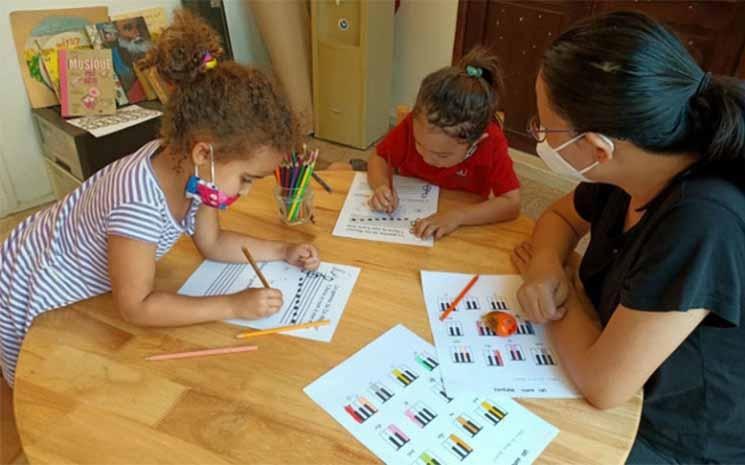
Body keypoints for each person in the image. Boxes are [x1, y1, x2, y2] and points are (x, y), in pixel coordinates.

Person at [0, 10, 320, 389]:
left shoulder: (192, 173)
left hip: (68, 268)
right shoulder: (138, 203)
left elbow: (213, 243)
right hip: (32, 285)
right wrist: (233, 305)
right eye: (246, 179)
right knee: (41, 386)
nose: (246, 192)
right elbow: (135, 306)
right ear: (204, 152)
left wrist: (283, 251)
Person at [512, 11, 745, 464]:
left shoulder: (701, 221)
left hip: (674, 434)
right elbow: (559, 218)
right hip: (607, 356)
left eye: (545, 127)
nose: (539, 136)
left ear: (597, 148)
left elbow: (603, 385)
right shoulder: (638, 162)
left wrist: (565, 290)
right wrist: (545, 265)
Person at [368, 47, 521, 240]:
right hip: (410, 213)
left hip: (460, 222)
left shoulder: (492, 142)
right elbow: (379, 157)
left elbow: (511, 203)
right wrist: (381, 186)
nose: (427, 158)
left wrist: (458, 216)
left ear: (475, 142)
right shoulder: (413, 123)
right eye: (419, 144)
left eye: (442, 155)